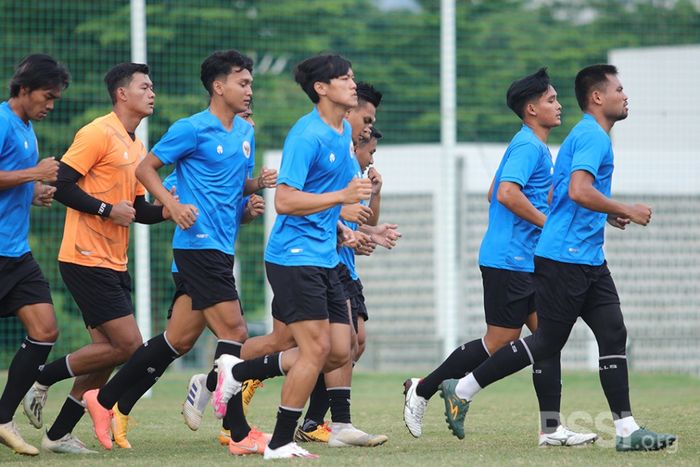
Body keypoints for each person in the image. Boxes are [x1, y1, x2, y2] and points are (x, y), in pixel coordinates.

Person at [436, 64, 676, 452]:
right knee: (546, 341)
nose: (625, 95)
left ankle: (627, 429)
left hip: (587, 257)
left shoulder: (588, 136)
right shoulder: (591, 138)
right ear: (598, 97)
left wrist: (606, 211)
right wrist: (625, 208)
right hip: (564, 259)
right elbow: (579, 190)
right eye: (619, 88)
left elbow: (565, 193)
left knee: (613, 331)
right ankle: (462, 389)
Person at [83, 49, 271, 454]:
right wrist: (171, 205)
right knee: (236, 333)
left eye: (251, 83)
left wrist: (252, 198)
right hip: (196, 247)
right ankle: (238, 432)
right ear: (218, 87)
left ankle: (107, 397)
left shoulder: (245, 133)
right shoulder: (191, 128)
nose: (249, 90)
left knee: (179, 339)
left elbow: (231, 188)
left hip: (221, 248)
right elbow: (145, 169)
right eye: (243, 83)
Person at [403, 68, 597, 446]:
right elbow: (506, 193)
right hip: (508, 260)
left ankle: (552, 428)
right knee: (500, 341)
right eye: (551, 100)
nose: (559, 106)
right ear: (531, 108)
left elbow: (494, 190)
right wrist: (548, 224)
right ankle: (424, 389)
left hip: (524, 260)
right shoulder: (528, 145)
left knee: (546, 338)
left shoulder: (533, 146)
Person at [212, 52, 374, 459]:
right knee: (315, 349)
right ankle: (281, 442)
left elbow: (323, 200)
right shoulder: (307, 135)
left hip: (325, 257)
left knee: (342, 349)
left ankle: (238, 371)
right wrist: (342, 197)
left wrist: (345, 227)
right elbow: (284, 200)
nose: (353, 85)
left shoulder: (341, 134)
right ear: (321, 88)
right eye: (345, 79)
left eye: (353, 77)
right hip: (293, 256)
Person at [22, 62, 167, 454]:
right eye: (145, 86)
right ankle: (42, 376)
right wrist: (105, 211)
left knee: (103, 358)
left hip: (113, 260)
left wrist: (168, 209)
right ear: (122, 93)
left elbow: (137, 210)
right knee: (129, 346)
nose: (152, 92)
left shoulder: (137, 144)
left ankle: (57, 435)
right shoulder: (96, 132)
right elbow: (62, 184)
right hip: (84, 256)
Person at [0, 53, 69, 456]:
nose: (50, 105)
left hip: (16, 253)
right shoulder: (4, 122)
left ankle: (4, 417)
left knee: (45, 329)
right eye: (46, 96)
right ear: (23, 89)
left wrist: (33, 192)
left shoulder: (27, 128)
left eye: (55, 99)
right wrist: (34, 176)